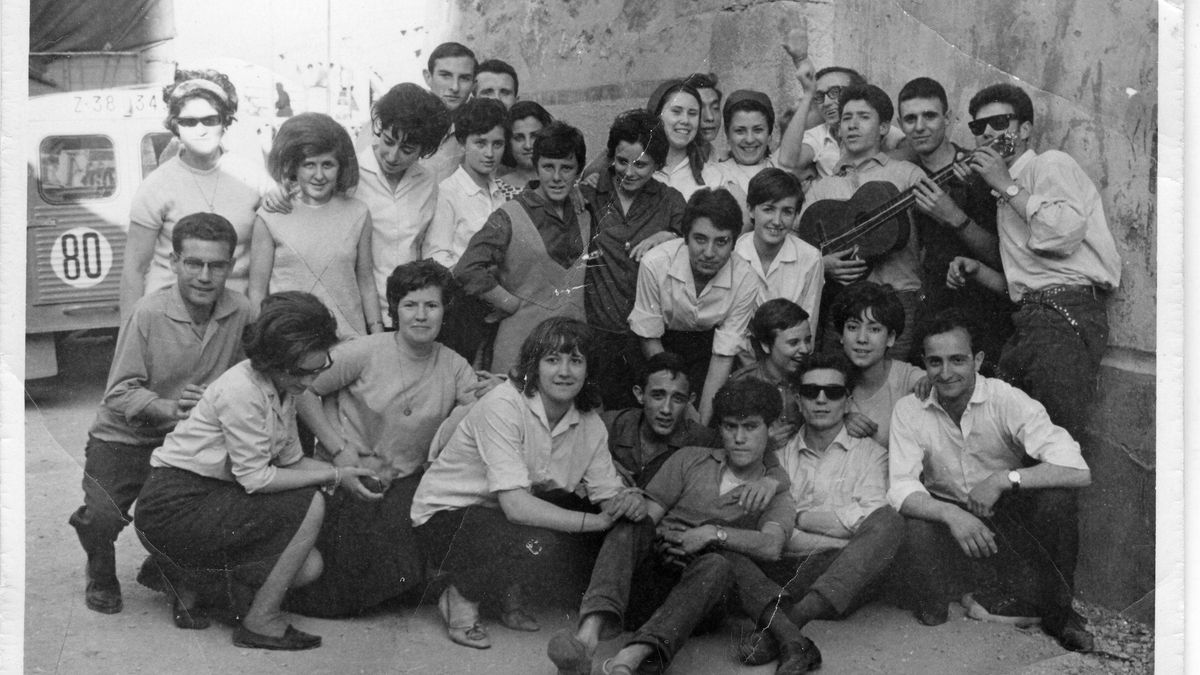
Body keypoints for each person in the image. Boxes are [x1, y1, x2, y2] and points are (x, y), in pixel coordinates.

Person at [134, 292, 378, 649]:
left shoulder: (284, 385)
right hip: (173, 504)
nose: (309, 382)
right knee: (311, 503)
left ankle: (187, 576)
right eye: (300, 373)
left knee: (309, 567)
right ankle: (260, 621)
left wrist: (351, 471)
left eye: (318, 369)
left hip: (216, 495)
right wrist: (333, 475)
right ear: (272, 361)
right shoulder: (241, 390)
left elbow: (291, 462)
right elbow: (257, 478)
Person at [547, 378, 820, 675]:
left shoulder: (775, 493)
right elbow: (648, 519)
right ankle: (586, 640)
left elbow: (771, 545)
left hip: (702, 596)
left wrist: (709, 534)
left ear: (770, 430)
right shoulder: (689, 459)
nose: (739, 438)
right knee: (631, 523)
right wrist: (658, 531)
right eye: (730, 427)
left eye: (751, 427)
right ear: (720, 429)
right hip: (651, 579)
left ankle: (629, 660)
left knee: (718, 560)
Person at [411, 318, 646, 649]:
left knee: (595, 526)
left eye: (575, 361)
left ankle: (510, 588)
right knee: (541, 539)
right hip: (448, 515)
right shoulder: (504, 404)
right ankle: (459, 597)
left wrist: (626, 501)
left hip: (504, 516)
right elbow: (517, 507)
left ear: (588, 369)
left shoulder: (589, 424)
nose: (564, 371)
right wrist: (596, 521)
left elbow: (606, 493)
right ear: (534, 366)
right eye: (552, 360)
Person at [284, 260, 498, 616]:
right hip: (349, 477)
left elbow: (481, 409)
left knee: (401, 566)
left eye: (432, 305)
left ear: (445, 311)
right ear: (395, 310)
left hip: (404, 482)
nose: (421, 315)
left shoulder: (454, 365)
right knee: (350, 580)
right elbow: (301, 390)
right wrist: (338, 451)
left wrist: (502, 388)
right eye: (410, 305)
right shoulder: (365, 351)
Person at [69, 213, 252, 616]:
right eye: (194, 263)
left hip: (188, 443)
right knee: (102, 516)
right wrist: (167, 407)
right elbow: (118, 393)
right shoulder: (147, 313)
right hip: (124, 437)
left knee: (208, 515)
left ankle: (170, 569)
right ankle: (99, 569)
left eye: (217, 265)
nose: (205, 276)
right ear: (174, 263)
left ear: (231, 266)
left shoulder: (241, 312)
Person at [888, 310, 1094, 651]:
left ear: (978, 360)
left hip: (1003, 516)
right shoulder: (910, 409)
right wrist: (953, 515)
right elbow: (901, 487)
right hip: (950, 519)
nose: (947, 372)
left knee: (1056, 501)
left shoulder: (1004, 399)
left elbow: (1077, 469)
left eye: (957, 360)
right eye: (935, 362)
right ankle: (959, 597)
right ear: (924, 363)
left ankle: (1060, 616)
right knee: (915, 529)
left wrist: (1003, 479)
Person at [948, 83, 1121, 441]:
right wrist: (977, 270)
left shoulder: (1049, 164)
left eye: (999, 122)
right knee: (1022, 439)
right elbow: (1023, 283)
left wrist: (1005, 185)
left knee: (1054, 441)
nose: (989, 134)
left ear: (1025, 130)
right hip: (1030, 318)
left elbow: (1065, 231)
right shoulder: (1005, 192)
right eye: (979, 128)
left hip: (1063, 314)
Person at [755, 353, 903, 641]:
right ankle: (799, 610)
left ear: (847, 401)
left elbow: (872, 519)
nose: (821, 400)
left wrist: (801, 517)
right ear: (798, 400)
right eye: (811, 392)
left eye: (833, 393)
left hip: (845, 577)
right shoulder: (778, 457)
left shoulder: (872, 455)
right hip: (794, 569)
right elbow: (774, 532)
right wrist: (847, 545)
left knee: (890, 521)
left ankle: (797, 617)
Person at [120, 69, 275, 315]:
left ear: (224, 122)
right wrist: (130, 335)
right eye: (189, 122)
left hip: (236, 317)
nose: (200, 129)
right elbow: (134, 270)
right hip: (170, 317)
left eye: (210, 120)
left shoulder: (253, 178)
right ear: (175, 126)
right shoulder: (155, 186)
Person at [894, 77, 1014, 374]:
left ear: (948, 118)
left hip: (981, 313)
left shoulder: (978, 171)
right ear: (900, 123)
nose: (919, 126)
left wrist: (953, 216)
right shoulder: (903, 176)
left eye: (930, 115)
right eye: (910, 118)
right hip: (927, 310)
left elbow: (1003, 256)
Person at [454, 120, 593, 374]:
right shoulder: (508, 216)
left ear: (578, 170)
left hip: (571, 352)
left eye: (567, 168)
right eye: (548, 167)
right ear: (536, 167)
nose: (557, 177)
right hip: (520, 345)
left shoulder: (585, 210)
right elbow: (467, 269)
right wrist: (509, 303)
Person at [799, 84, 925, 361]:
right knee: (836, 382)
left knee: (893, 386)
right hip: (843, 302)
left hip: (898, 298)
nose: (853, 125)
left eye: (864, 117)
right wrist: (824, 263)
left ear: (883, 128)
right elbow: (796, 248)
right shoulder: (823, 188)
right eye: (846, 118)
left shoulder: (907, 175)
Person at [580, 109, 686, 409]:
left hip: (649, 336)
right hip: (599, 333)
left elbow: (694, 240)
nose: (629, 172)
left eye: (641, 164)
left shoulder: (670, 200)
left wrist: (666, 237)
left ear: (657, 164)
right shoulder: (591, 195)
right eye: (622, 161)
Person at [629, 187, 759, 425]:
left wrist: (699, 423)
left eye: (721, 242)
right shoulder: (655, 263)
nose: (709, 253)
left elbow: (722, 355)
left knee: (703, 424)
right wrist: (680, 404)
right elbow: (649, 337)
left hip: (706, 352)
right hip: (657, 347)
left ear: (733, 243)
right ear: (685, 237)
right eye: (700, 239)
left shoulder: (746, 278)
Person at [248, 113, 382, 338]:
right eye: (309, 165)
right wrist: (260, 339)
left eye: (328, 165)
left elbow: (366, 280)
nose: (319, 175)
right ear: (294, 167)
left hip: (348, 338)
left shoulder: (358, 213)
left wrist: (377, 333)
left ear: (340, 167)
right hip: (289, 339)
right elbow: (257, 290)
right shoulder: (270, 215)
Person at [358, 83, 451, 318]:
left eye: (407, 149)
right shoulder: (353, 173)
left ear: (424, 150)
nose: (392, 155)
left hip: (407, 313)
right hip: (358, 308)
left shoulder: (427, 181)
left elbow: (427, 248)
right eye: (388, 141)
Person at [831, 282, 925, 448]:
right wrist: (839, 421)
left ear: (890, 338)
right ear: (841, 335)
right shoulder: (829, 378)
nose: (862, 338)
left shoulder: (905, 378)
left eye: (874, 329)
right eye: (852, 327)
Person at [777, 65, 907, 180]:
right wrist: (807, 97)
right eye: (819, 96)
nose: (826, 103)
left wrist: (863, 163)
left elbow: (914, 151)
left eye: (835, 92)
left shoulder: (875, 127)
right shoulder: (818, 134)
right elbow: (787, 161)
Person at [734, 168, 824, 327]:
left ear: (796, 215)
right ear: (751, 210)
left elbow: (809, 325)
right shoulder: (735, 253)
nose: (777, 221)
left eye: (787, 212)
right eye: (768, 209)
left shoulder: (811, 258)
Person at [730, 299, 813, 447]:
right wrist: (761, 443)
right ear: (766, 346)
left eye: (807, 340)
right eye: (794, 343)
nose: (805, 349)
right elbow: (727, 439)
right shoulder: (742, 383)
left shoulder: (815, 376)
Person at [646, 79, 721, 201]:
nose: (685, 120)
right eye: (676, 111)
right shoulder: (636, 170)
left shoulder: (713, 177)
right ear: (657, 115)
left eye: (692, 113)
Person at [714, 89, 781, 212]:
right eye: (740, 131)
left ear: (770, 135)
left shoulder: (782, 168)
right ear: (728, 136)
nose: (749, 139)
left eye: (758, 130)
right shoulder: (716, 174)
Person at [421, 42, 478, 182]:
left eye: (464, 78)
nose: (454, 87)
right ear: (428, 77)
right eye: (445, 75)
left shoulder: (477, 130)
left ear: (474, 85)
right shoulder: (400, 119)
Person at [497, 100, 553, 192]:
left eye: (534, 136)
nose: (528, 145)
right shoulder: (495, 190)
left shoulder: (566, 184)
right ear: (508, 142)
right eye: (519, 138)